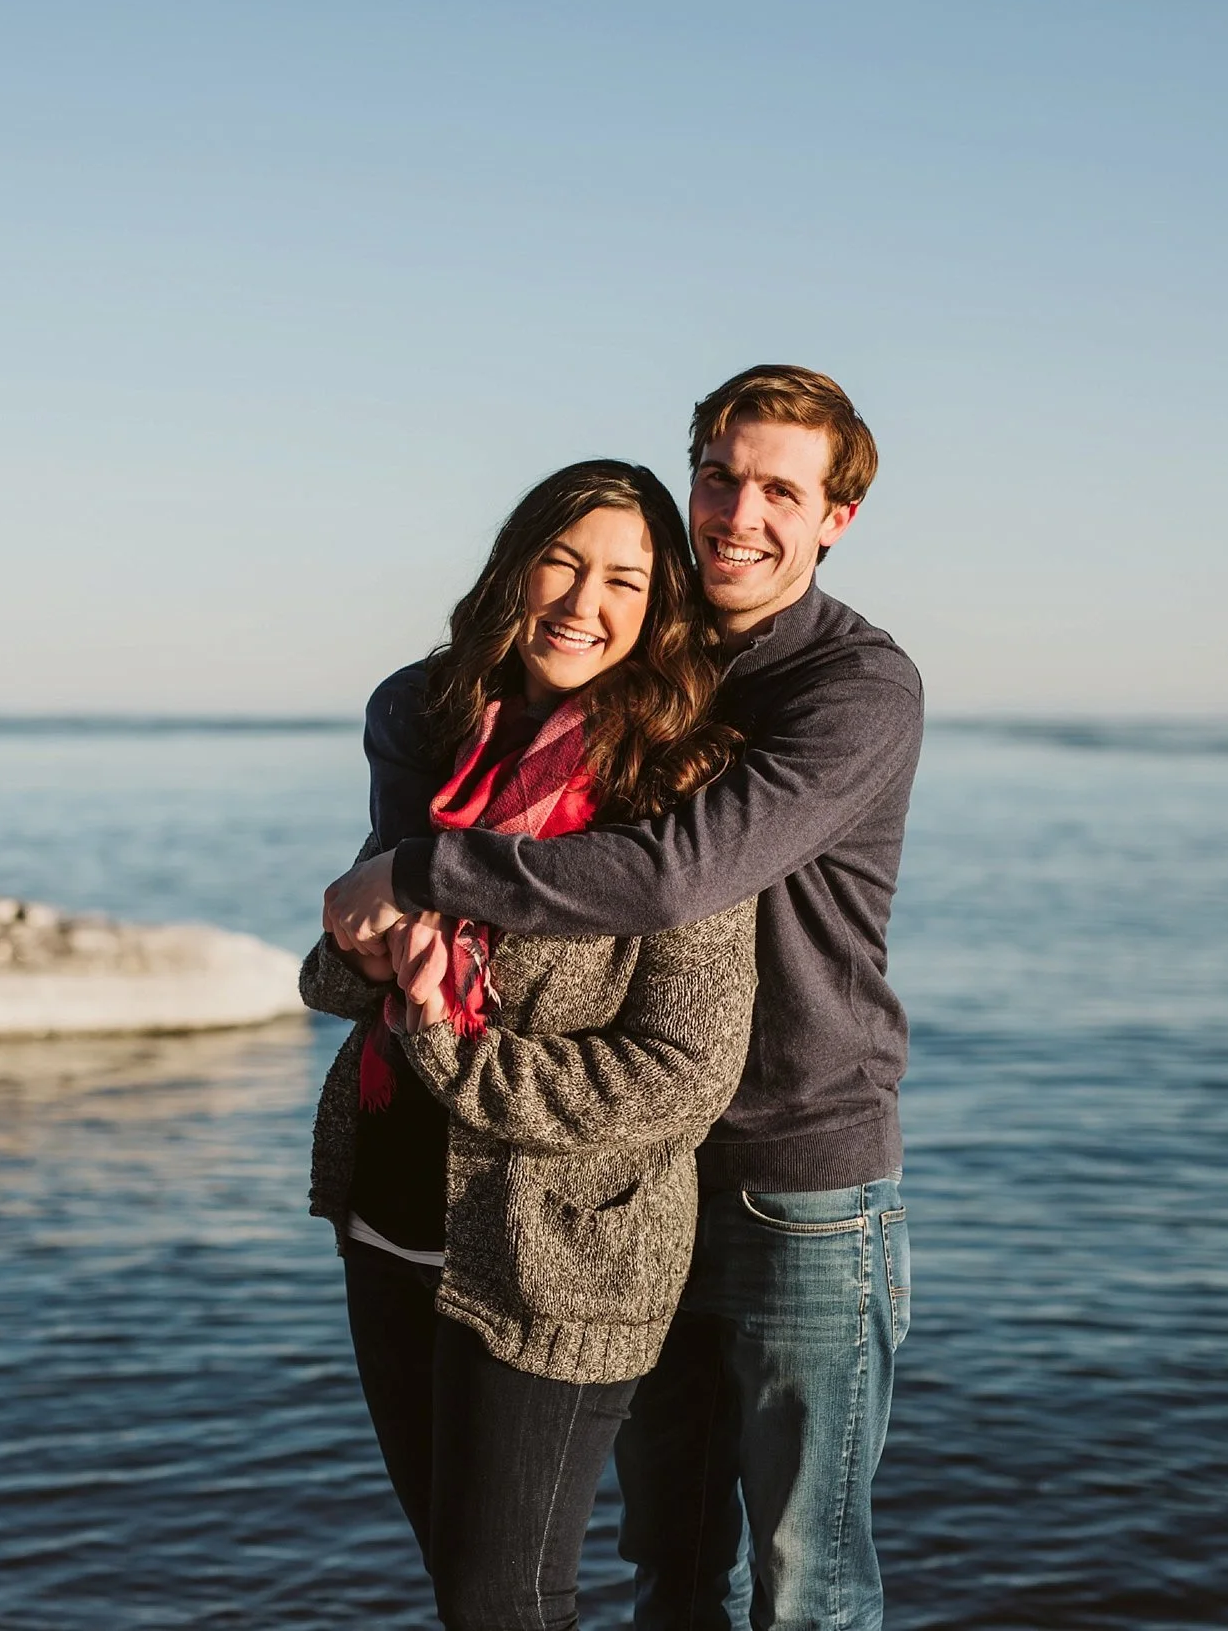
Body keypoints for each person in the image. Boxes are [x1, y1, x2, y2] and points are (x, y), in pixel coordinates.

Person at [325, 365, 923, 1631]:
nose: (739, 512)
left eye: (780, 488)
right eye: (720, 475)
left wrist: (419, 868)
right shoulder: (666, 661)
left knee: (806, 1578)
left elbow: (672, 873)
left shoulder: (850, 687)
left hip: (790, 1166)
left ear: (836, 516)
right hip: (623, 1184)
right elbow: (495, 693)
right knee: (673, 1559)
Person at [301, 459, 761, 1631]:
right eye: (560, 561)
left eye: (622, 577)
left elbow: (680, 1069)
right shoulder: (449, 743)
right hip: (393, 1216)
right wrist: (359, 958)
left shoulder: (681, 789)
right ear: (514, 570)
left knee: (510, 1602)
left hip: (563, 1248)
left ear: (658, 609)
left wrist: (455, 1050)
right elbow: (336, 962)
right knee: (467, 1596)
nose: (579, 600)